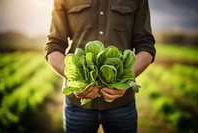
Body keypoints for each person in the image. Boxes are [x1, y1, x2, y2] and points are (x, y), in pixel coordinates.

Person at [44, 0, 156, 132]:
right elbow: (53, 46)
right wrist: (77, 80)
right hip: (78, 104)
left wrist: (123, 78)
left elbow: (146, 45)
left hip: (122, 104)